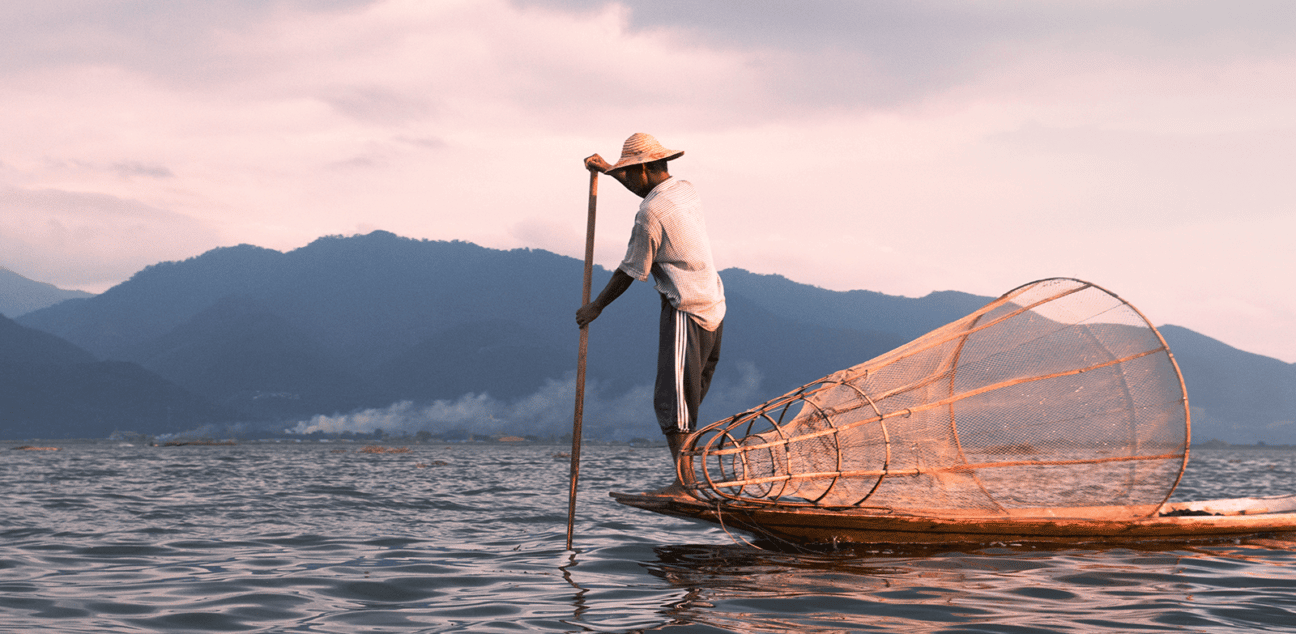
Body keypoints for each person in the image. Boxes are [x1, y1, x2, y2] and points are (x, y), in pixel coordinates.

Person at [577, 132, 726, 470]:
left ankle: (686, 481)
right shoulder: (686, 190)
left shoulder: (650, 215)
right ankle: (690, 473)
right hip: (714, 305)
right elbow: (644, 183)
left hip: (685, 308)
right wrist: (610, 169)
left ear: (643, 170)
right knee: (689, 397)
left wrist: (595, 307)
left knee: (673, 400)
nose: (627, 181)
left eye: (629, 174)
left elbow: (629, 271)